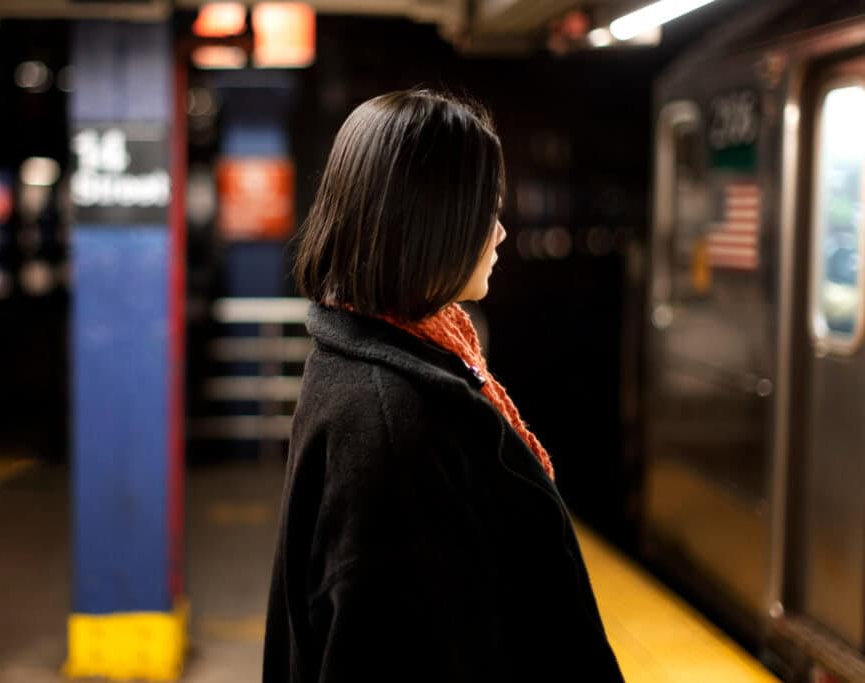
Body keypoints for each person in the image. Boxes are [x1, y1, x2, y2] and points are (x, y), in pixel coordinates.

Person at [263, 89, 624, 682]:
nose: (502, 233)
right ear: (431, 221)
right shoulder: (394, 426)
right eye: (487, 211)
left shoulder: (374, 358)